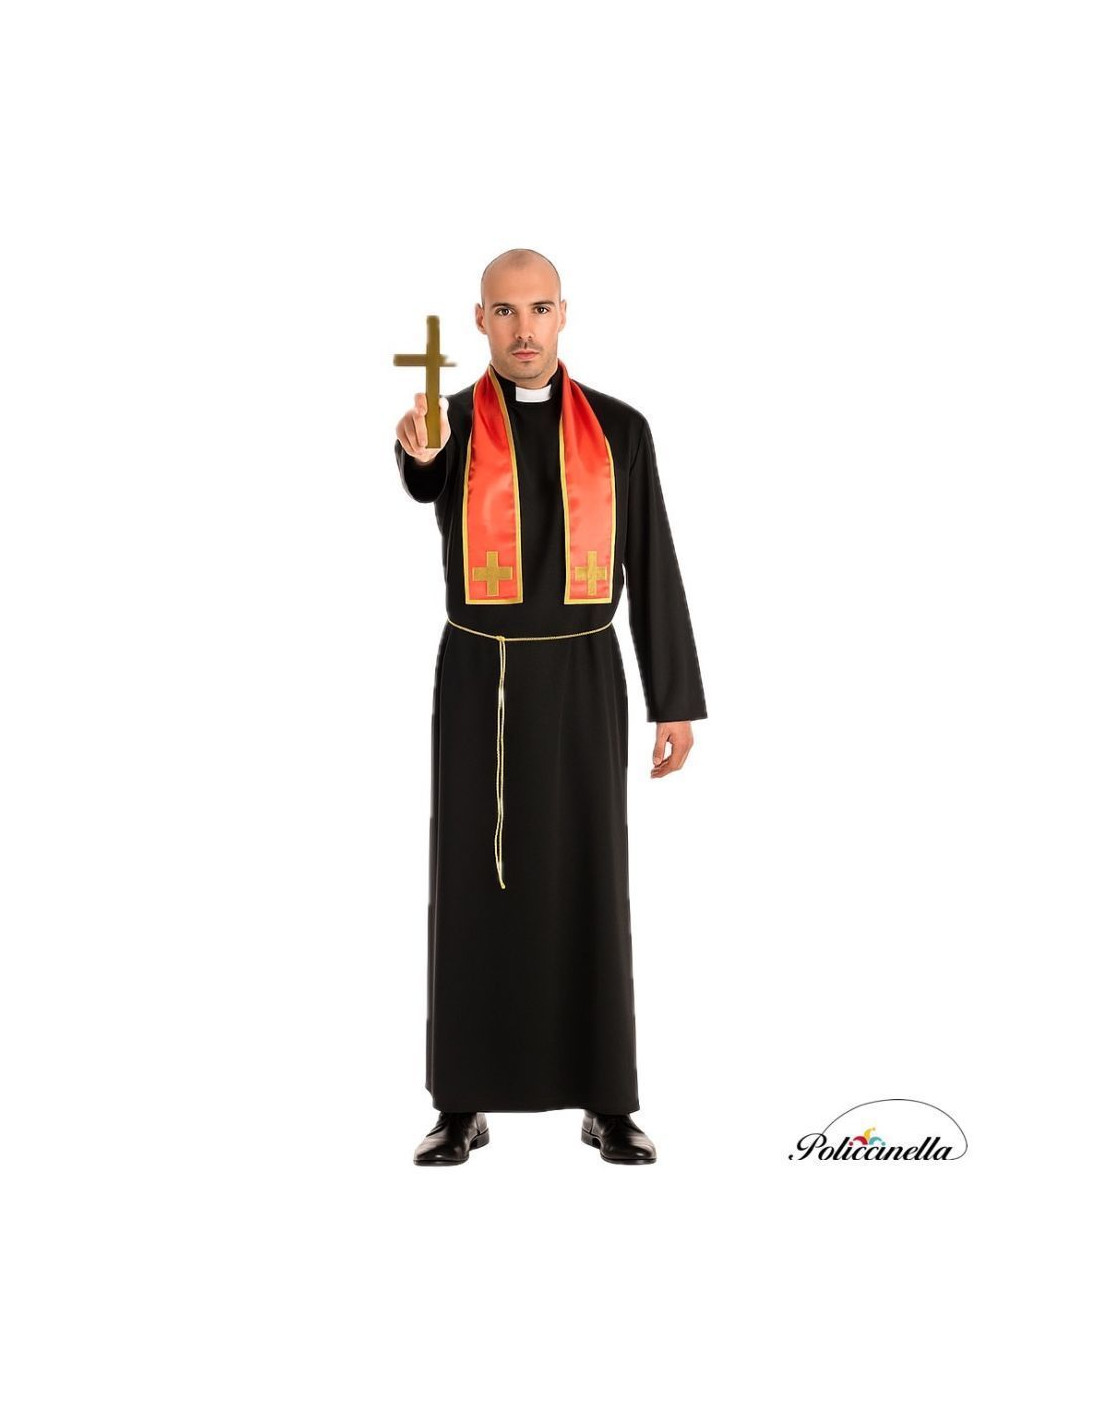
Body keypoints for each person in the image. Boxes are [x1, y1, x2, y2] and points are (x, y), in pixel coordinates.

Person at [393, 248, 707, 1166]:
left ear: (563, 313)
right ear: (480, 320)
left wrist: (673, 699)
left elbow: (650, 557)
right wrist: (419, 455)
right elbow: (422, 474)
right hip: (479, 677)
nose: (523, 329)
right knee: (470, 881)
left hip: (582, 674)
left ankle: (608, 1100)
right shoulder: (448, 423)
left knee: (588, 877)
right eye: (504, 311)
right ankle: (462, 1103)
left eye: (538, 309)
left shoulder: (620, 429)